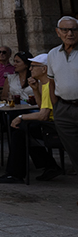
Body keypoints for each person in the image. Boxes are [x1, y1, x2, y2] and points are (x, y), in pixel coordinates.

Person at [0, 53, 65, 184]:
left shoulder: (50, 85)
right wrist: (35, 90)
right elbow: (41, 106)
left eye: (34, 66)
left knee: (20, 131)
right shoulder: (44, 84)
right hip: (50, 123)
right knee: (22, 132)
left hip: (54, 126)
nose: (31, 69)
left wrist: (21, 117)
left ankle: (15, 173)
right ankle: (49, 166)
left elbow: (43, 114)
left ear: (44, 69)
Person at [47, 15, 78, 182]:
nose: (70, 33)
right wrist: (56, 107)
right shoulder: (53, 54)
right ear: (58, 32)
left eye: (73, 30)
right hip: (64, 109)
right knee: (73, 151)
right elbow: (51, 82)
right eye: (65, 30)